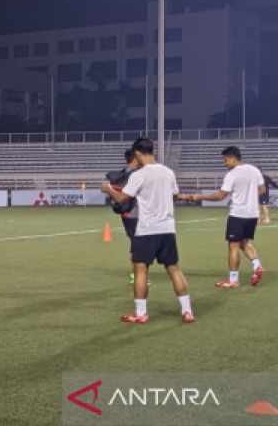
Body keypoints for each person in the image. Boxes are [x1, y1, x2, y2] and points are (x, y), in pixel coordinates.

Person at [102, 137, 193, 324]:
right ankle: (187, 311)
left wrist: (108, 190)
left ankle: (141, 313)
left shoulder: (139, 175)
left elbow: (121, 199)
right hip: (167, 229)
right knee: (174, 269)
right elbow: (174, 195)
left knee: (140, 270)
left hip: (146, 230)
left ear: (137, 153)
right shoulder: (168, 172)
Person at [178, 146, 265, 287]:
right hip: (253, 214)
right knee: (244, 243)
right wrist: (247, 197)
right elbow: (262, 190)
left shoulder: (232, 174)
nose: (225, 163)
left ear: (232, 158)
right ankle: (257, 265)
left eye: (225, 160)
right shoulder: (254, 170)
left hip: (238, 214)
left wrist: (199, 196)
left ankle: (233, 280)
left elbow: (220, 196)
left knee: (233, 246)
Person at [106, 148, 143, 282]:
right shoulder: (134, 175)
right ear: (134, 159)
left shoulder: (122, 174)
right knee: (137, 245)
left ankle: (139, 274)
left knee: (136, 244)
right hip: (135, 214)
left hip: (126, 214)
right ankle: (137, 275)